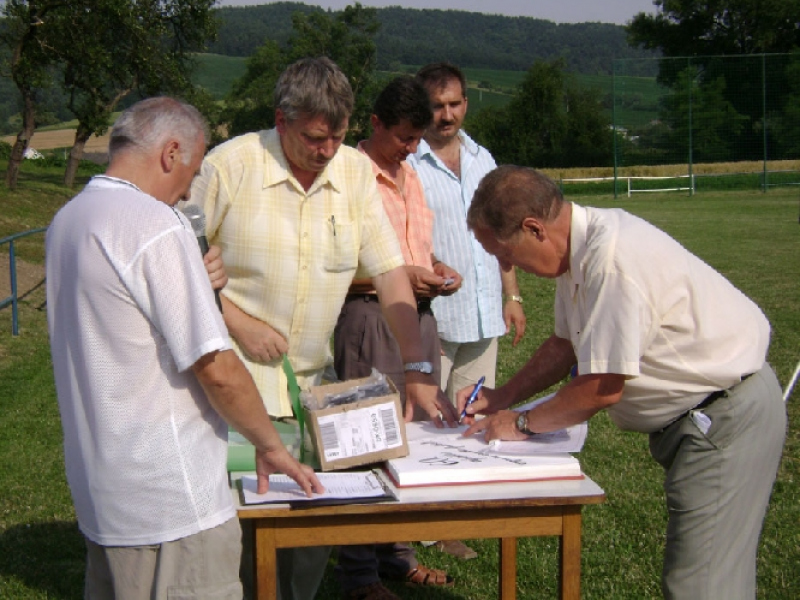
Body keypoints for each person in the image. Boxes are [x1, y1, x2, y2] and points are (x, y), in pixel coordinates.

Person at [187, 57, 459, 600]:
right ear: (280, 120)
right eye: (314, 138)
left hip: (317, 390)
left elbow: (389, 275)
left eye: (337, 137)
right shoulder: (229, 167)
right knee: (240, 534)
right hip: (235, 388)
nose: (327, 151)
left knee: (313, 531)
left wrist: (419, 366)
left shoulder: (355, 174)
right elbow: (178, 267)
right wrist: (237, 322)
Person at [459, 165, 787, 600]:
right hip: (709, 417)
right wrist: (502, 396)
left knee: (701, 586)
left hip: (725, 419)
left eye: (504, 253)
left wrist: (519, 424)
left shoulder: (610, 260)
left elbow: (602, 386)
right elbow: (565, 345)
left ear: (534, 228)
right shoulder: (578, 250)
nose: (504, 266)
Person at [46, 96, 323, 600]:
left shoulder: (70, 218)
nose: (189, 190)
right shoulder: (155, 224)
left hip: (102, 486)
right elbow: (215, 366)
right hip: (170, 498)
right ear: (171, 152)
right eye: (192, 172)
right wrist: (270, 445)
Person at [333, 76, 460, 600]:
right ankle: (359, 575)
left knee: (411, 438)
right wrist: (399, 276)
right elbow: (334, 264)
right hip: (367, 316)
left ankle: (398, 555)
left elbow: (416, 251)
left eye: (417, 140)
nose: (411, 149)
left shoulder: (412, 176)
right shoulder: (346, 175)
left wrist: (435, 268)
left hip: (419, 318)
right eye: (403, 138)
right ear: (375, 124)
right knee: (364, 441)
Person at [407, 61, 527, 560]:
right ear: (422, 108)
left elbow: (501, 234)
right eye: (437, 106)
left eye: (455, 103)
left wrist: (512, 295)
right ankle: (424, 522)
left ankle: (462, 510)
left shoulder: (484, 157)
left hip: (483, 314)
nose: (446, 114)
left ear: (466, 103)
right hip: (433, 315)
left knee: (475, 410)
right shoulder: (409, 162)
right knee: (428, 419)